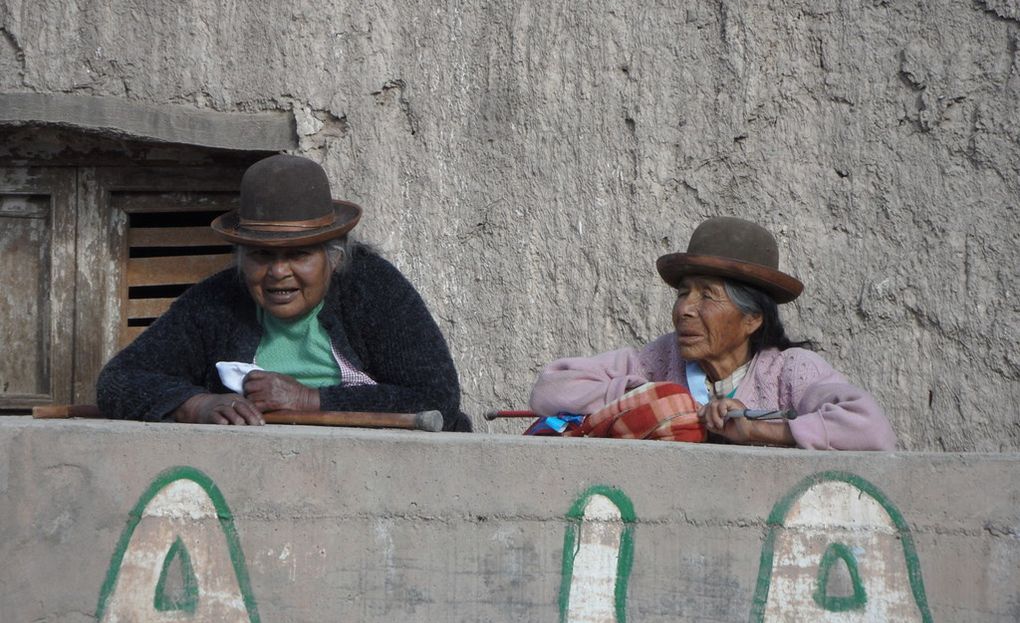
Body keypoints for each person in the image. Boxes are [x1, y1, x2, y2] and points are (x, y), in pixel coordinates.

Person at [97, 154, 471, 431]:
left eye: (299, 255)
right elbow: (120, 379)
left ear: (334, 258)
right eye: (261, 255)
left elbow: (437, 396)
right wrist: (196, 405)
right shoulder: (218, 300)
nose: (278, 272)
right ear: (243, 260)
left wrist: (311, 400)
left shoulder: (374, 290)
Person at [529, 217, 895, 450]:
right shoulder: (659, 361)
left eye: (707, 295)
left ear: (752, 319)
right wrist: (651, 397)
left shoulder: (789, 372)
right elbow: (549, 389)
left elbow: (872, 431)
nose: (685, 308)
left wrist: (756, 429)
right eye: (682, 292)